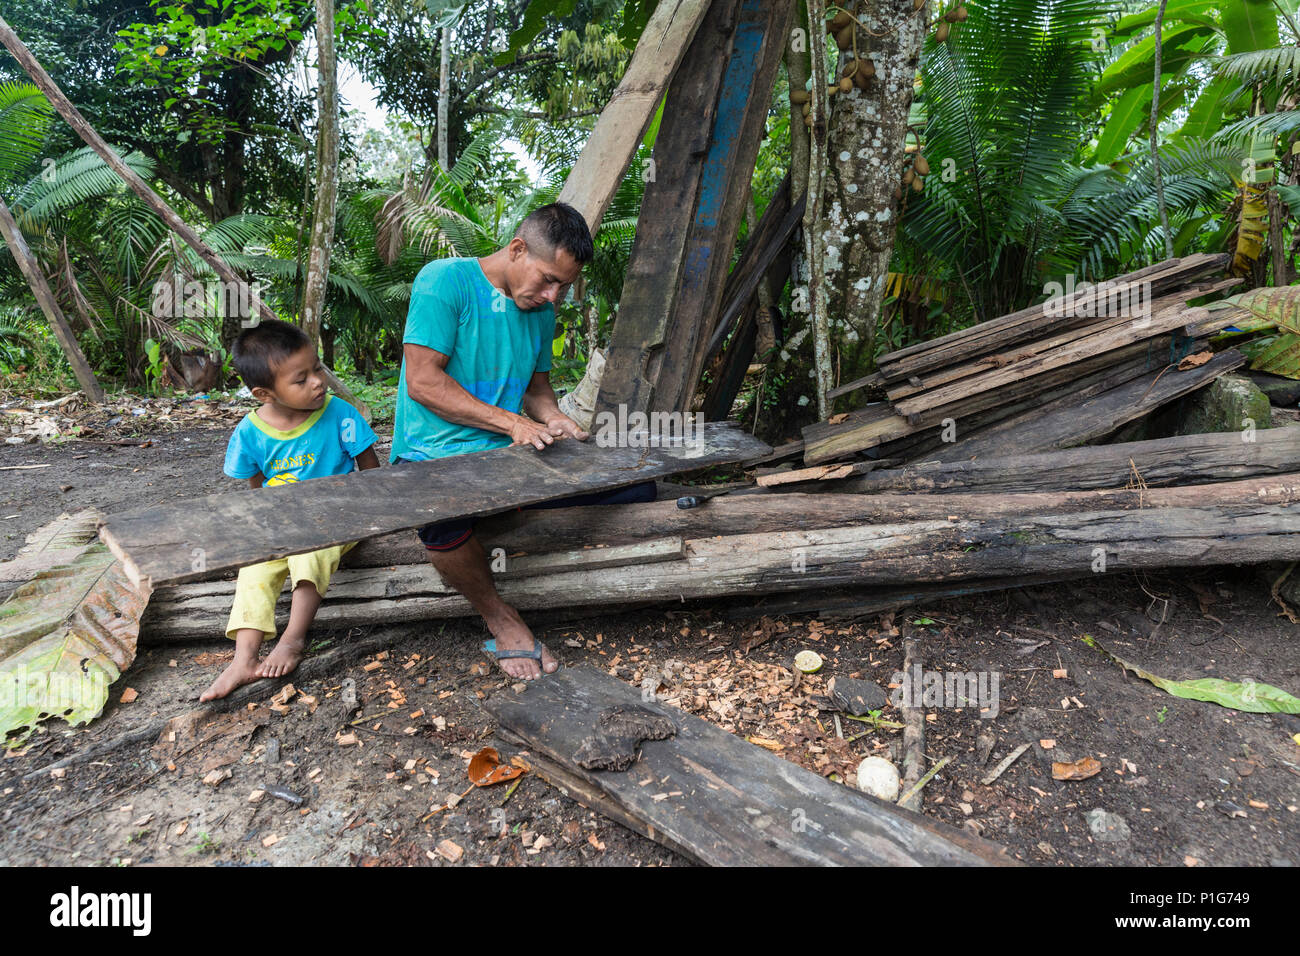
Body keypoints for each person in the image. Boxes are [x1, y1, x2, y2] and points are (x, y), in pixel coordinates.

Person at [393, 202, 654, 681]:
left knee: (637, 487)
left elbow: (537, 391)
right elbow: (424, 384)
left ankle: (498, 518)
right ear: (516, 249)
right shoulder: (444, 281)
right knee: (441, 522)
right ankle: (501, 615)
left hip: (511, 458)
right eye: (548, 279)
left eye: (564, 286)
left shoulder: (538, 309)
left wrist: (556, 420)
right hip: (435, 455)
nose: (553, 296)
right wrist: (512, 425)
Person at [200, 320, 379, 701]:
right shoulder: (250, 433)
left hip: (338, 516)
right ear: (265, 393)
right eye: (301, 379)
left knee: (310, 555)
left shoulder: (340, 414)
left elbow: (372, 473)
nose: (318, 381)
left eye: (317, 369)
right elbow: (258, 493)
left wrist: (369, 516)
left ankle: (293, 639)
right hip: (282, 521)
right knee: (255, 568)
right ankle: (243, 659)